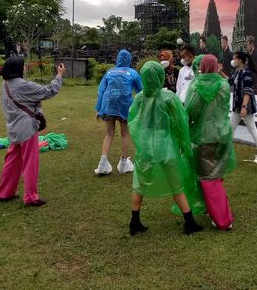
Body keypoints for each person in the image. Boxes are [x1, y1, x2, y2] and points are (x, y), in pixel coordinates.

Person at [127, 61, 204, 236]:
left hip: (146, 145)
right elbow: (180, 122)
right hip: (165, 145)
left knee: (139, 183)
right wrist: (184, 144)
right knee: (176, 183)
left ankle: (134, 221)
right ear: (160, 77)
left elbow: (133, 120)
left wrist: (140, 140)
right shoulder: (168, 98)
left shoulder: (140, 97)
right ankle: (189, 222)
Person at [0, 58, 66, 206]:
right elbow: (49, 91)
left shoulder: (5, 85)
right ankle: (31, 197)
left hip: (13, 128)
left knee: (12, 161)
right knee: (30, 163)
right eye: (23, 66)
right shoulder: (22, 85)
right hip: (26, 128)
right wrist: (59, 75)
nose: (26, 67)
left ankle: (4, 193)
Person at [183, 54, 236, 230]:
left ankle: (223, 219)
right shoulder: (223, 85)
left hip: (202, 137)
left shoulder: (196, 86)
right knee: (216, 175)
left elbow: (189, 111)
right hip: (222, 135)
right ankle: (212, 209)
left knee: (208, 179)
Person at [94, 49, 143, 175]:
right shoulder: (132, 73)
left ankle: (102, 163)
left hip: (108, 105)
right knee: (125, 134)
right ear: (129, 60)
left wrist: (99, 109)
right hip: (125, 106)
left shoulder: (109, 72)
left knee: (109, 133)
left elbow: (101, 90)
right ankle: (123, 163)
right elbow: (141, 91)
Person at [225, 51, 257, 164]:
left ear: (240, 60)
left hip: (246, 108)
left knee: (252, 129)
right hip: (237, 107)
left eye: (234, 58)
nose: (233, 60)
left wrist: (244, 107)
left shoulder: (246, 73)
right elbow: (230, 82)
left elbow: (248, 91)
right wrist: (220, 73)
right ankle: (227, 153)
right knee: (230, 129)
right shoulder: (237, 72)